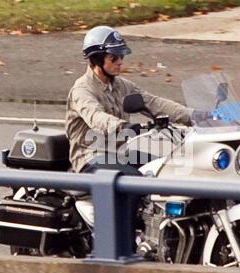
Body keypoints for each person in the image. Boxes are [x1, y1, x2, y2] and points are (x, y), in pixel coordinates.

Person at [65, 25, 193, 175]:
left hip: (121, 154)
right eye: (114, 58)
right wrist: (125, 127)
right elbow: (96, 117)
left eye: (121, 56)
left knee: (168, 165)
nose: (120, 62)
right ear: (97, 59)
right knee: (134, 180)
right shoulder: (82, 90)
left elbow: (154, 103)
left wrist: (197, 116)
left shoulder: (122, 86)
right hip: (90, 157)